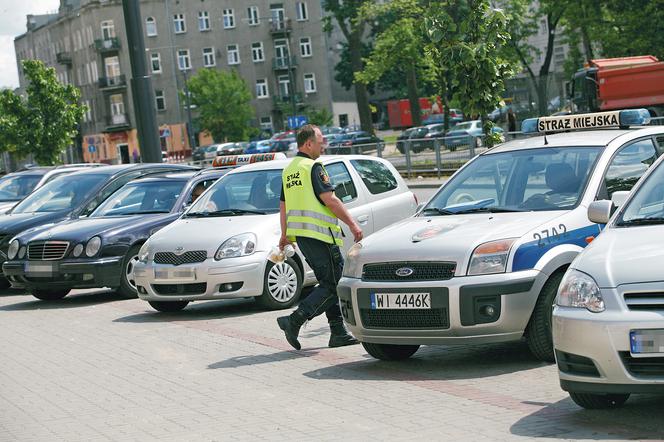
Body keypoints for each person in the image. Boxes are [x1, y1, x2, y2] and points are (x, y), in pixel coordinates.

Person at [277, 124, 363, 350]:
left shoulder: (290, 170)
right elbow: (331, 200)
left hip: (304, 238)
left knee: (328, 282)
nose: (322, 146)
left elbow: (283, 206)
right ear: (308, 144)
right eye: (320, 141)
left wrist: (285, 235)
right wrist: (353, 224)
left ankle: (337, 332)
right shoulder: (313, 167)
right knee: (334, 284)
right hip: (321, 236)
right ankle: (294, 320)